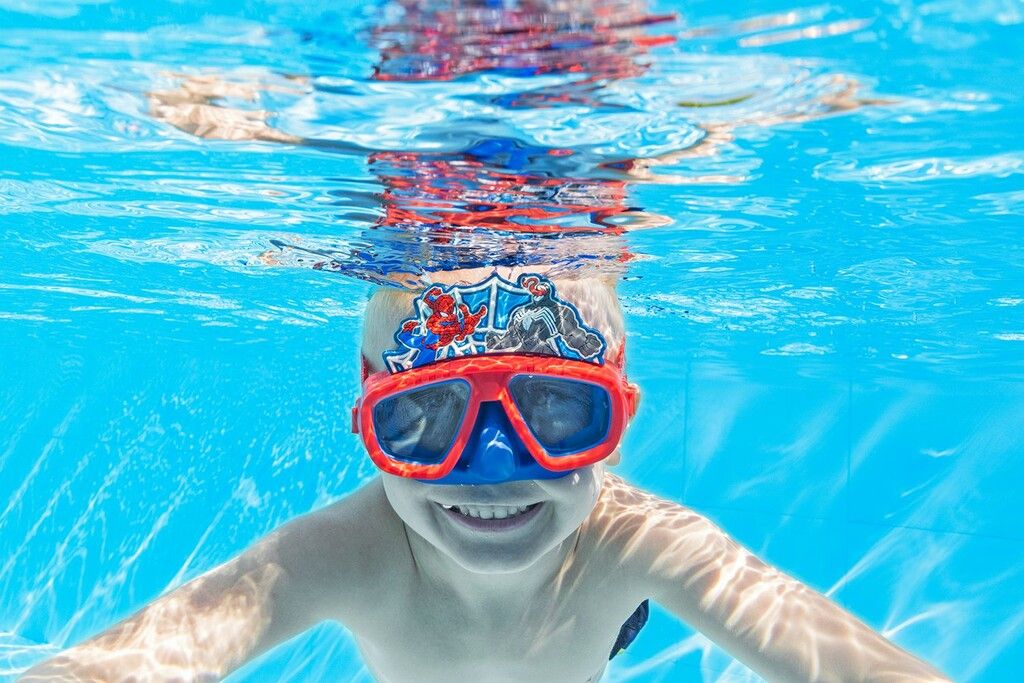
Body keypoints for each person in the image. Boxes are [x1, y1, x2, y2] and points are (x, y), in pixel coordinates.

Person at [21, 267, 949, 682]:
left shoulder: (641, 541)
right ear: (368, 425)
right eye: (424, 418)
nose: (493, 467)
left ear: (617, 423)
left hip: (596, 598)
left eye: (557, 411)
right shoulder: (347, 553)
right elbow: (144, 658)